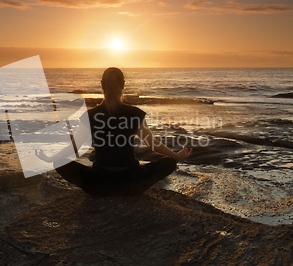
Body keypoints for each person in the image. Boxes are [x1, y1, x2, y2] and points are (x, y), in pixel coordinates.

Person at [35, 67, 192, 196]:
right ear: (123, 85)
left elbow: (75, 147)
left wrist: (51, 158)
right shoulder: (135, 113)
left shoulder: (89, 115)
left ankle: (102, 190)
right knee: (169, 163)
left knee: (59, 163)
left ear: (101, 85)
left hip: (99, 182)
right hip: (131, 181)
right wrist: (176, 155)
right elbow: (152, 144)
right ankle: (132, 189)